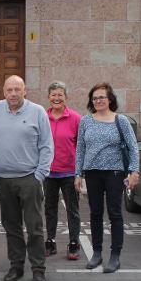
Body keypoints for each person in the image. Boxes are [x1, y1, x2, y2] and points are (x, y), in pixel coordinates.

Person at [0, 75, 53, 281]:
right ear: (4, 91)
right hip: (3, 180)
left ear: (25, 91)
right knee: (11, 226)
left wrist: (40, 175)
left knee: (34, 226)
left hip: (29, 178)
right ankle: (16, 265)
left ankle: (38, 268)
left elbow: (46, 145)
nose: (14, 94)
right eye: (9, 90)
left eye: (18, 89)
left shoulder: (37, 112)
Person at [75, 82, 139, 273]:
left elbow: (133, 147)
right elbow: (80, 149)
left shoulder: (121, 121)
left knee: (115, 214)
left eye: (102, 97)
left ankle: (115, 255)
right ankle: (96, 253)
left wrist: (134, 171)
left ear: (110, 99)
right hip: (92, 173)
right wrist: (78, 173)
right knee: (95, 214)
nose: (98, 101)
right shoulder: (86, 121)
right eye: (94, 98)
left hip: (114, 173)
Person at [44, 81, 82, 260]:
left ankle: (74, 243)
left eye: (60, 95)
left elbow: (82, 147)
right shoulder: (43, 117)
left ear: (66, 98)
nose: (56, 98)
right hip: (48, 173)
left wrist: (79, 173)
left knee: (72, 210)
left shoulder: (76, 118)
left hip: (69, 173)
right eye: (53, 95)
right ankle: (50, 241)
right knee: (49, 209)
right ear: (49, 98)